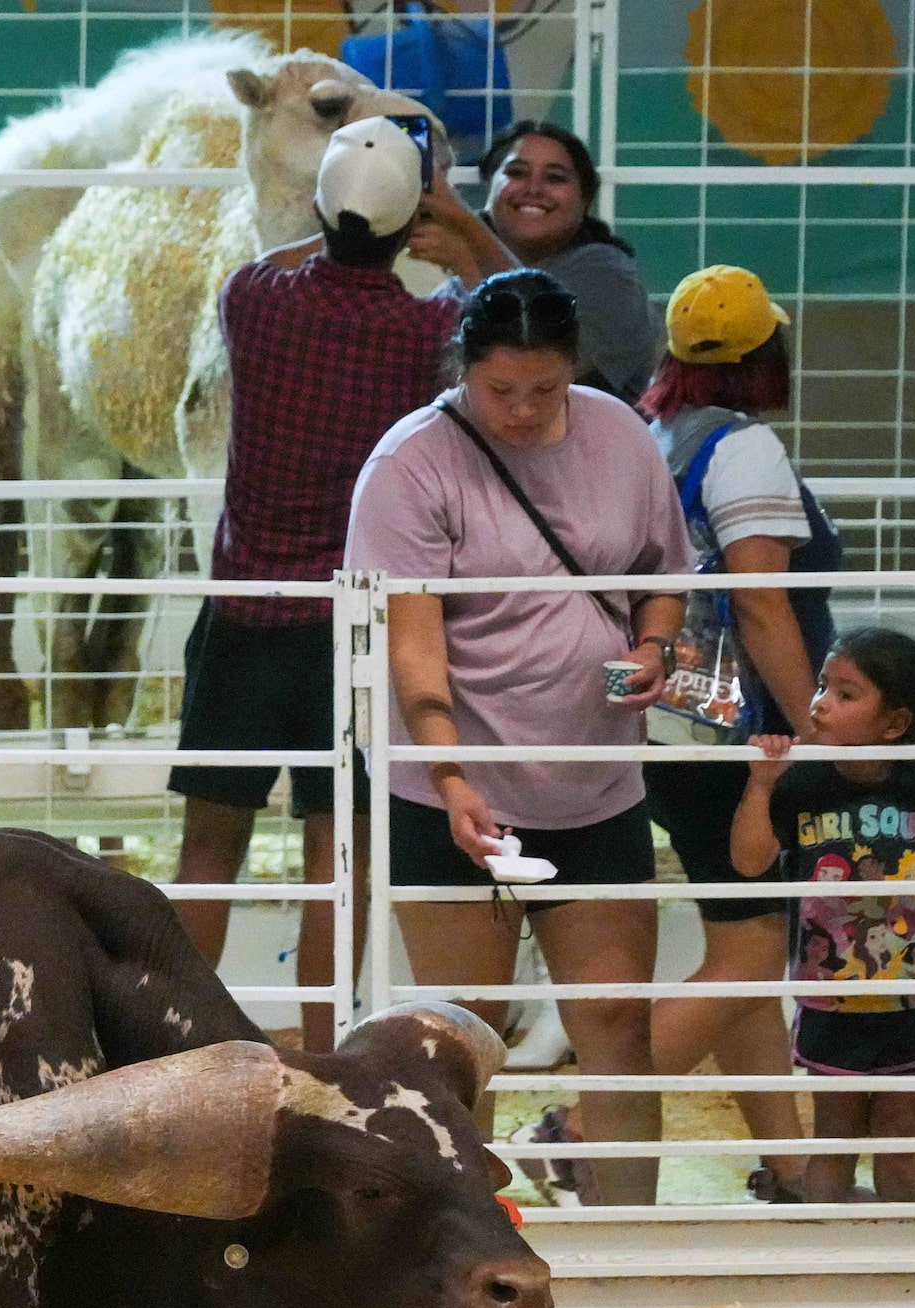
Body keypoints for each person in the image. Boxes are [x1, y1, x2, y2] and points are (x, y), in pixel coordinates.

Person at [346, 271, 693, 1206]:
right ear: (464, 367)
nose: (525, 411)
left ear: (573, 370)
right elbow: (411, 644)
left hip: (594, 776)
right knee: (466, 1034)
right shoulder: (411, 464)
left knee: (617, 1017)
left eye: (545, 390)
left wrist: (655, 644)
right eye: (501, 391)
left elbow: (662, 568)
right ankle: (462, 1255)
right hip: (453, 791)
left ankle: (629, 1244)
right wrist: (448, 771)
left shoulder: (619, 433)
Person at [169, 114, 511, 1052]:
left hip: (240, 611)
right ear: (411, 220)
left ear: (322, 207)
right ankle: (325, 1052)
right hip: (350, 628)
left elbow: (284, 255)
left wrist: (344, 217)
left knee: (209, 850)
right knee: (338, 856)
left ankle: (176, 1045)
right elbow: (503, 304)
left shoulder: (253, 297)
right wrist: (447, 226)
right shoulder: (424, 325)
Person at [635, 263, 840, 1204]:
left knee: (739, 948)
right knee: (754, 951)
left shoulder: (652, 435)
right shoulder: (743, 448)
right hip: (737, 735)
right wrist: (819, 734)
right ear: (766, 354)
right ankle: (582, 1122)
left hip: (666, 723)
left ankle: (790, 1164)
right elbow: (762, 606)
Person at [730, 629, 915, 1205]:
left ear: (894, 723)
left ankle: (902, 1264)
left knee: (899, 1139)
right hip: (830, 998)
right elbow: (749, 860)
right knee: (833, 1138)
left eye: (845, 694)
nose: (820, 703)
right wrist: (759, 787)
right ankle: (829, 1265)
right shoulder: (801, 780)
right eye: (822, 686)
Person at [470, 121, 659, 400]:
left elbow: (537, 372)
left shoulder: (608, 275)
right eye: (517, 173)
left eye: (555, 178)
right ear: (488, 188)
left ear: (586, 200)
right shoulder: (455, 281)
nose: (534, 188)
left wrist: (463, 229)